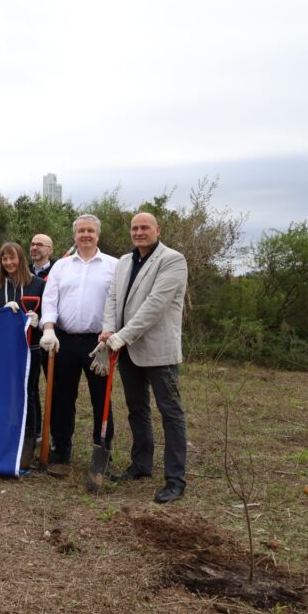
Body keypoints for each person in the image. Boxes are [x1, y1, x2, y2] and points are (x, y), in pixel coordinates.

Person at [99, 213, 189, 504]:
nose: (139, 232)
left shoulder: (172, 260)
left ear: (157, 230)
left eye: (144, 227)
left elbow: (155, 305)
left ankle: (175, 480)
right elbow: (113, 299)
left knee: (170, 413)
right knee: (137, 409)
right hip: (127, 350)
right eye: (134, 228)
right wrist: (109, 330)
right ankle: (141, 465)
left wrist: (123, 336)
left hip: (158, 351)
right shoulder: (124, 261)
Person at [39, 215, 118, 464]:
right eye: (81, 231)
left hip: (99, 343)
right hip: (64, 340)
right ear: (74, 236)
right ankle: (61, 450)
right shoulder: (61, 267)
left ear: (98, 235)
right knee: (62, 397)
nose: (85, 235)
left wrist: (111, 334)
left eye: (90, 231)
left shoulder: (113, 265)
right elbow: (49, 300)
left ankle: (102, 453)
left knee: (101, 398)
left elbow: (118, 303)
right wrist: (48, 328)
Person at [0, 242, 46, 470]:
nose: (9, 263)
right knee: (2, 391)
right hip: (2, 350)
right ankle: (2, 435)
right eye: (4, 258)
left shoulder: (37, 284)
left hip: (31, 348)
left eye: (12, 258)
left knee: (28, 392)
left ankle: (29, 439)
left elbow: (47, 314)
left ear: (20, 259)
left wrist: (38, 321)